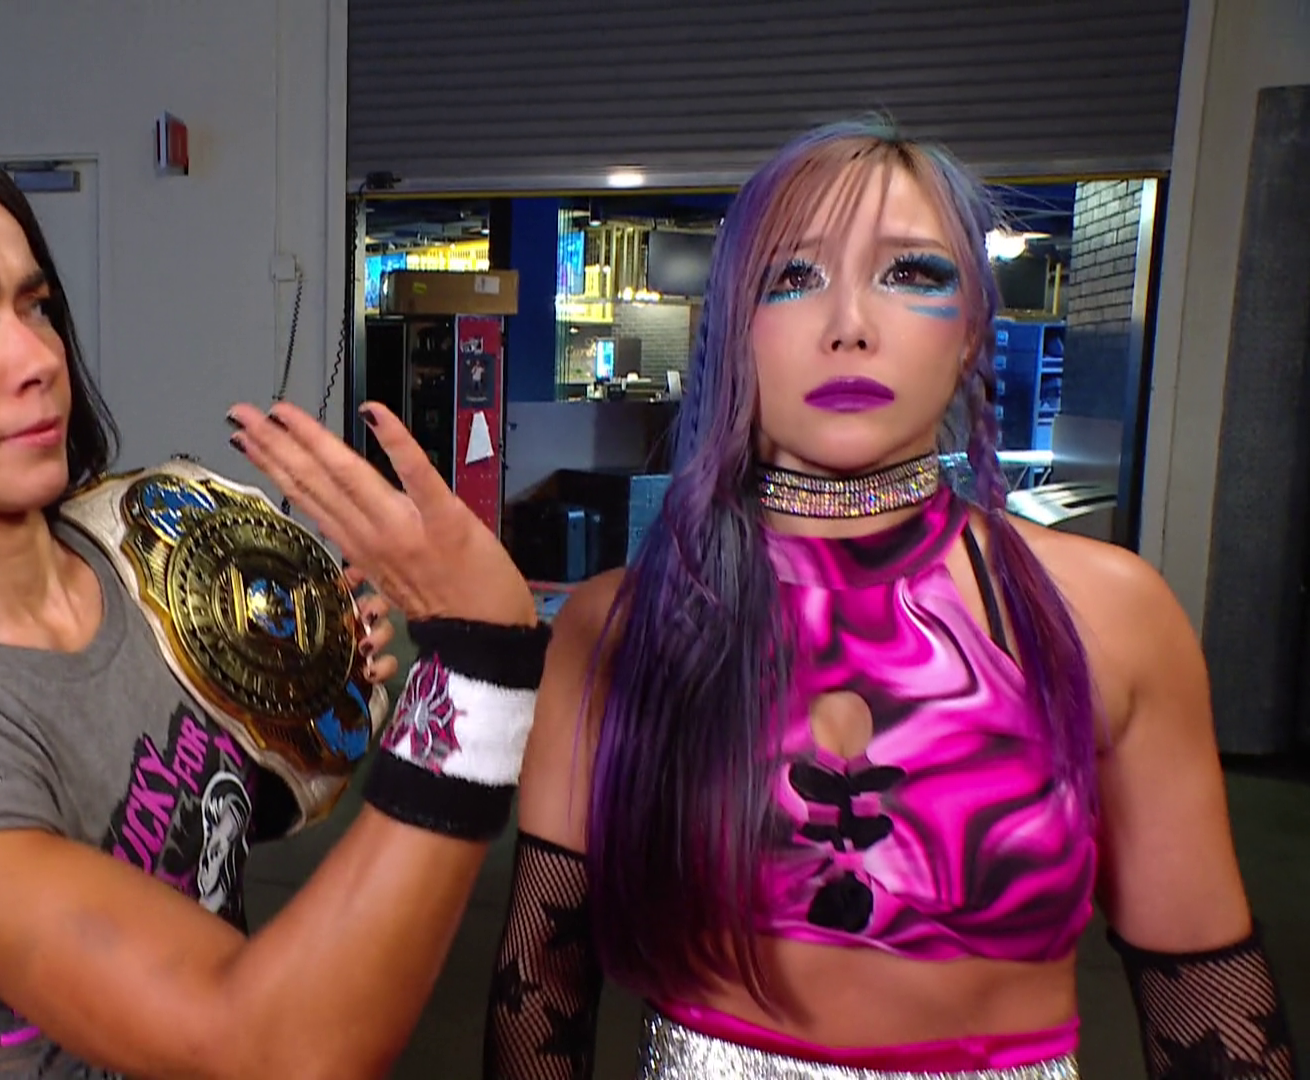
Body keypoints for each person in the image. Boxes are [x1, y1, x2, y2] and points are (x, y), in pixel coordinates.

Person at [0, 125, 547, 1080]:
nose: (37, 357)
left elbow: (202, 826)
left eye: (34, 305)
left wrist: (303, 698)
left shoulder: (136, 542)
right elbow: (272, 1047)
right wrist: (478, 680)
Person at [484, 119, 1299, 1080]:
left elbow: (1208, 1007)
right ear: (733, 332)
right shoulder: (621, 627)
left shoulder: (1109, 618)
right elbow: (542, 986)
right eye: (792, 277)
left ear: (971, 335)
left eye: (911, 273)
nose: (850, 324)